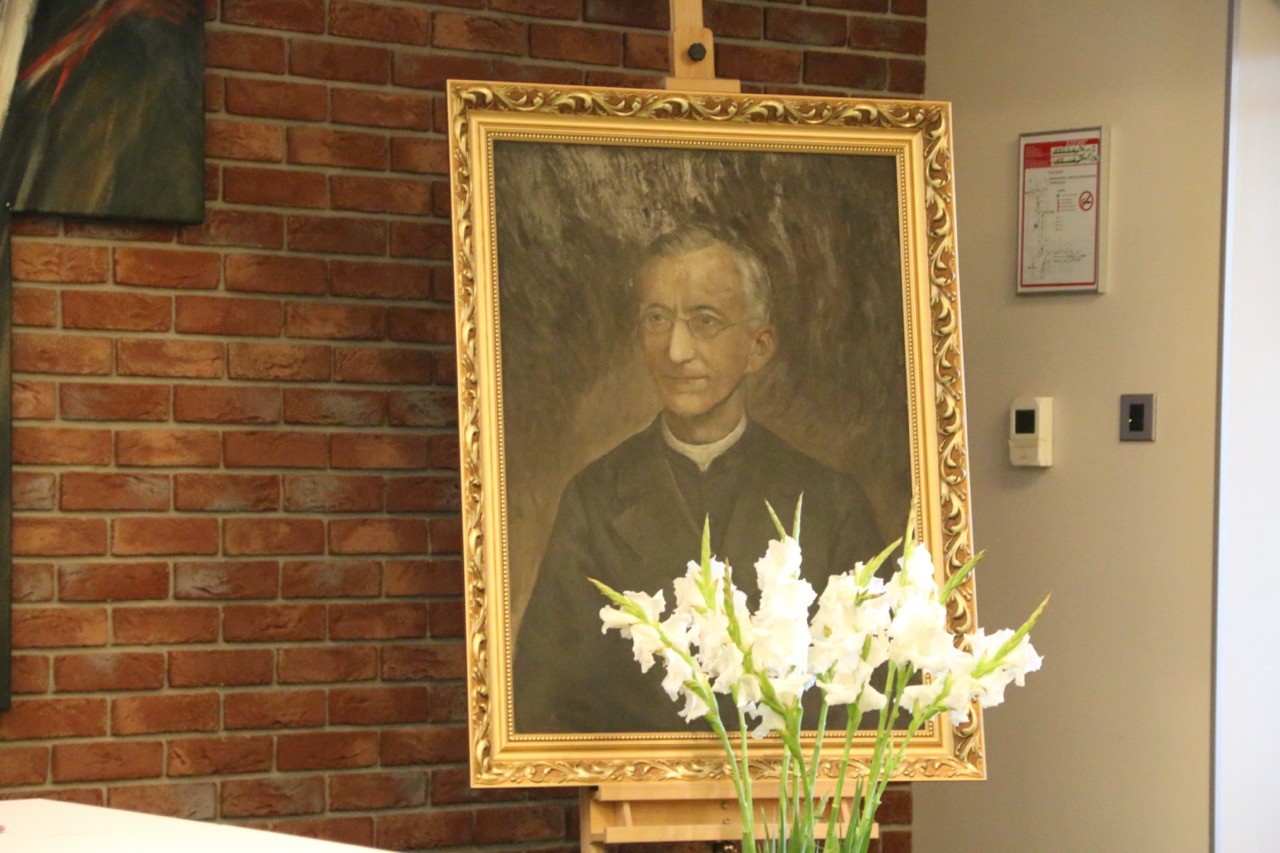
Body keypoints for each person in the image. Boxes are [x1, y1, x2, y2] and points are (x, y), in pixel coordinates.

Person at [513, 226, 884, 733]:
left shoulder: (829, 502)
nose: (676, 351)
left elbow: (872, 703)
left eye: (704, 321)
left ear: (759, 346)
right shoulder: (594, 497)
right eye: (657, 319)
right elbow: (544, 705)